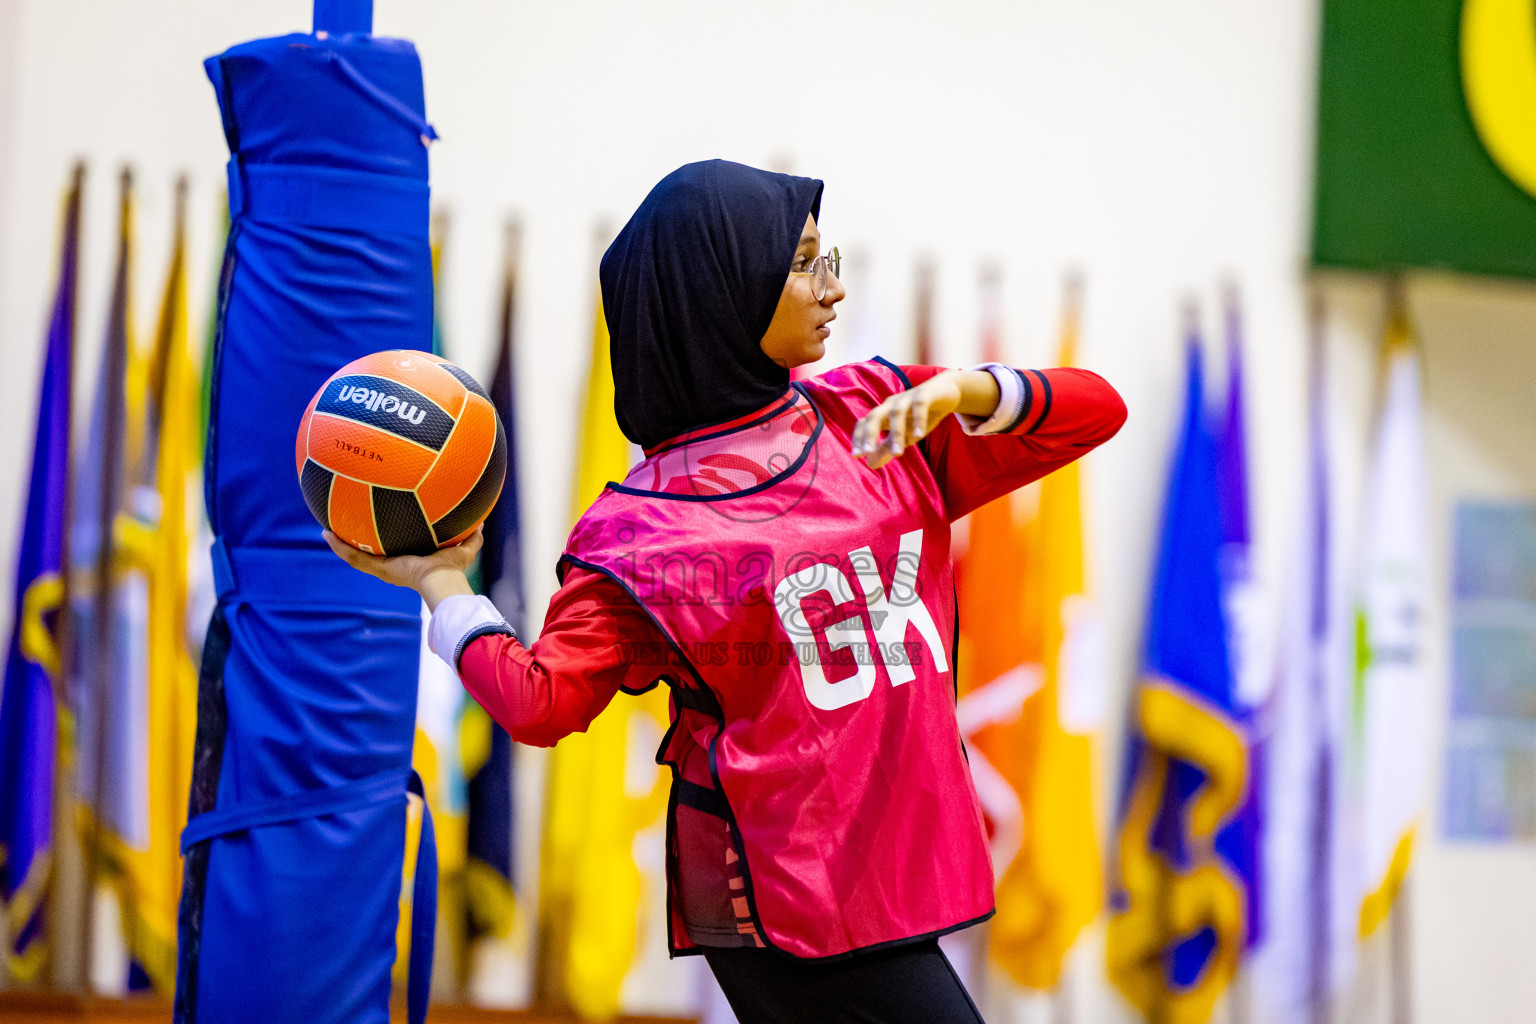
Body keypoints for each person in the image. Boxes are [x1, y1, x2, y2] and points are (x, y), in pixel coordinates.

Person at [325, 159, 1126, 1023]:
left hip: (893, 872)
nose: (832, 290)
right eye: (803, 263)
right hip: (783, 900)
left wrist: (966, 389)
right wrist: (440, 582)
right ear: (724, 289)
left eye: (830, 260)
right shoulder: (639, 529)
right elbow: (539, 703)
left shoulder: (874, 408)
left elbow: (1098, 410)